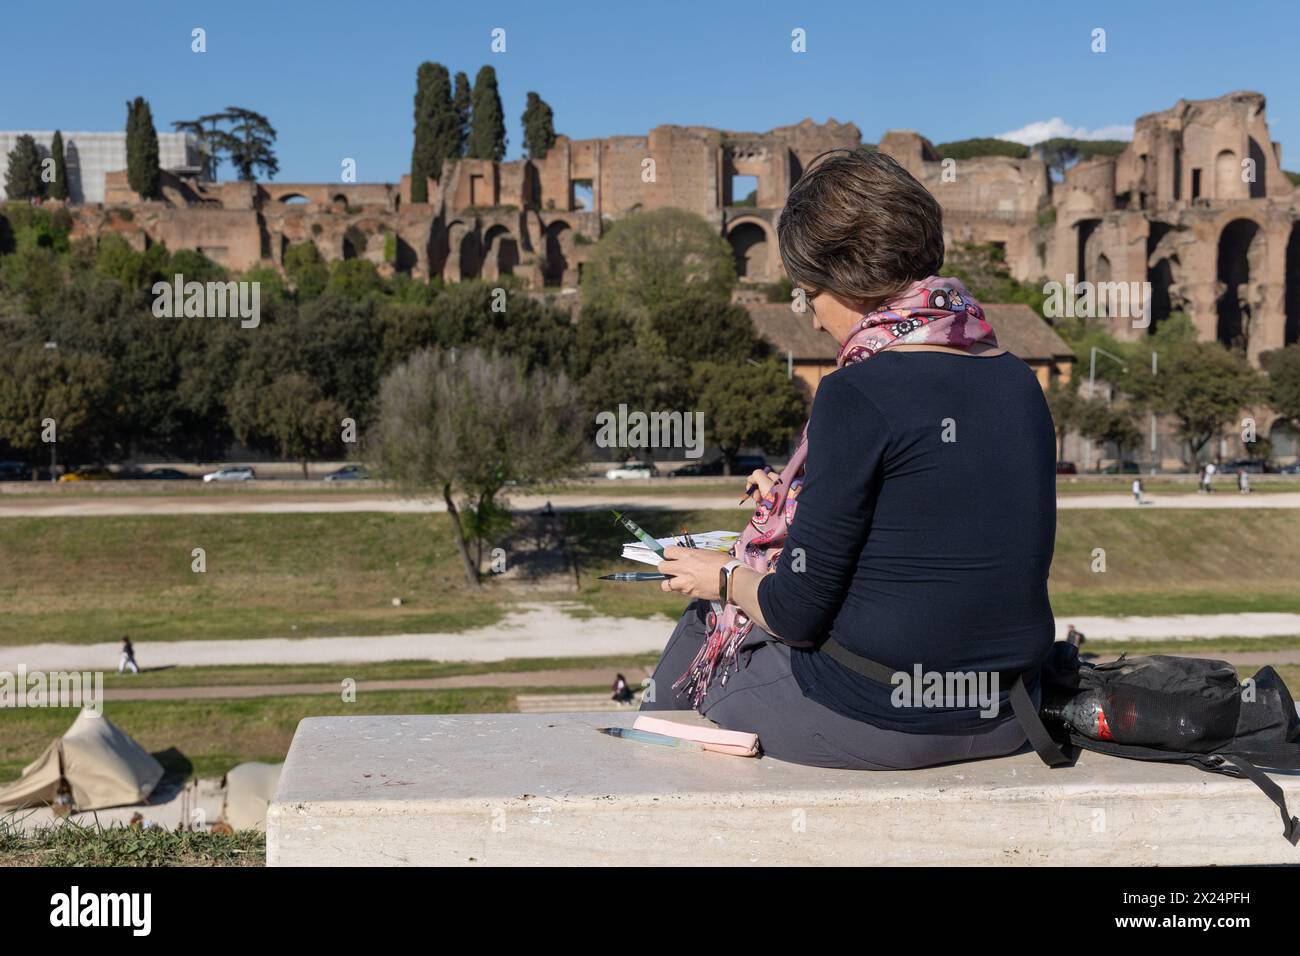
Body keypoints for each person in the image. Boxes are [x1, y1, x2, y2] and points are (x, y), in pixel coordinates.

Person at [641, 149, 1055, 770]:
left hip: (881, 719)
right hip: (1006, 712)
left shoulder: (856, 391)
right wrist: (797, 497)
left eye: (807, 294)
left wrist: (719, 575)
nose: (809, 320)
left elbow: (796, 613)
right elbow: (927, 520)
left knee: (707, 619)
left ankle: (647, 805)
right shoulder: (1018, 378)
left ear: (849, 281)